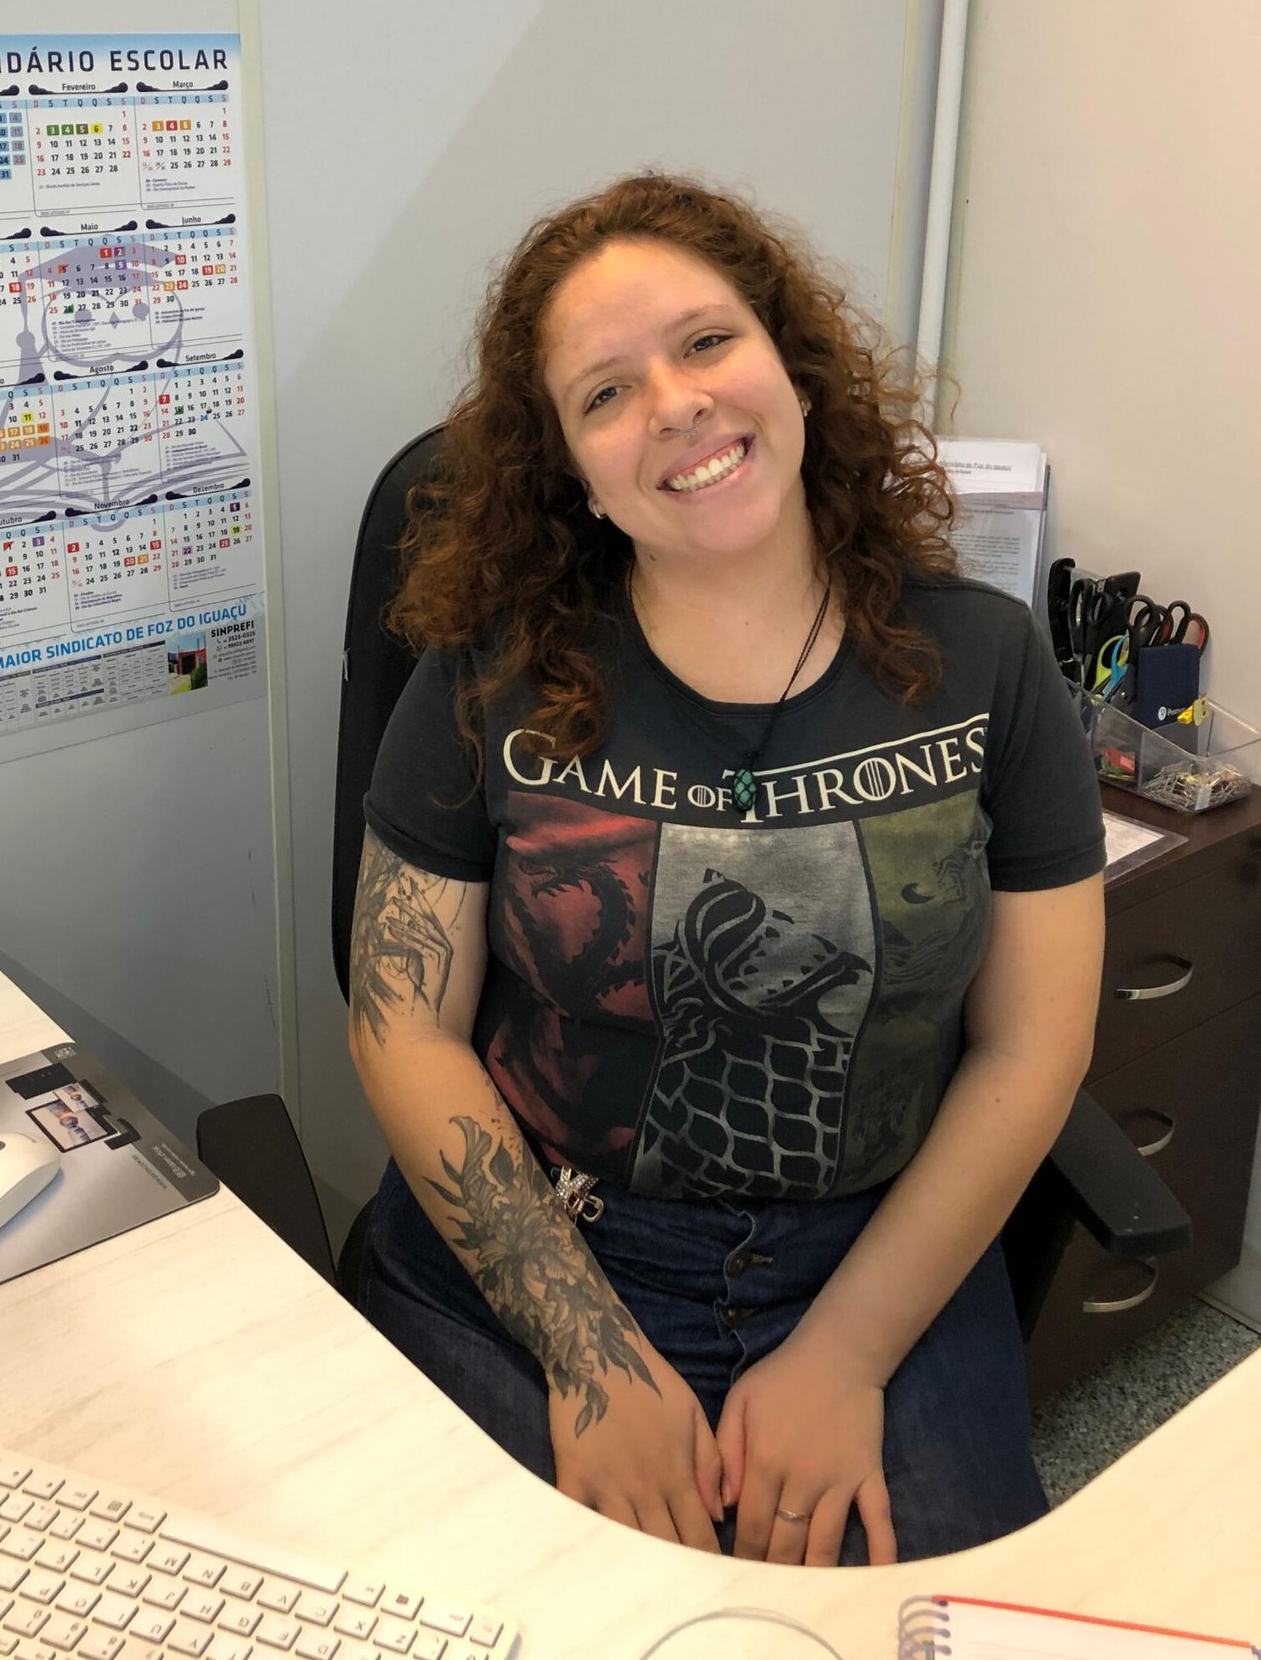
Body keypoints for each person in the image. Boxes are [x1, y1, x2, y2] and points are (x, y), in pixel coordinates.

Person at [347, 173, 1104, 1568]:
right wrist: (588, 1355)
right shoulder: (488, 672)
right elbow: (402, 1024)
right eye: (605, 393)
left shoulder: (987, 661)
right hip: (546, 1247)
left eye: (706, 341)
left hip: (875, 1261)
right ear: (570, 472)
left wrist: (846, 1355)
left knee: (926, 1633)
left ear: (789, 362)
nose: (677, 403)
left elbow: (1032, 1045)